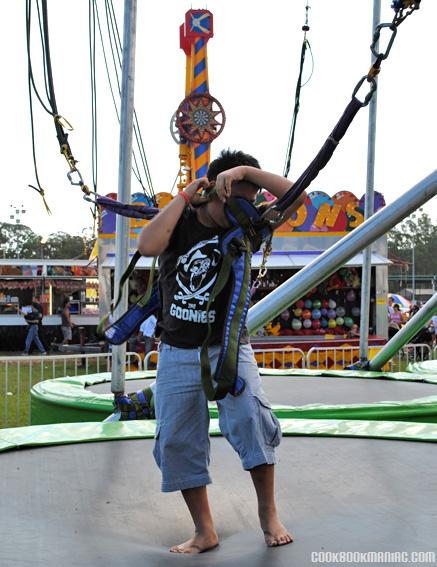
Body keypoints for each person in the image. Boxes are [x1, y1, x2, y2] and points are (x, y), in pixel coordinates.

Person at [138, 149, 306, 554]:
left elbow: (299, 199)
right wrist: (184, 196)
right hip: (178, 350)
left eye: (249, 200)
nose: (243, 209)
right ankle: (204, 530)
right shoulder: (180, 223)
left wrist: (247, 172)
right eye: (235, 198)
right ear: (212, 191)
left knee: (251, 421)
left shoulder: (249, 227)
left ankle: (268, 513)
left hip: (228, 347)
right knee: (177, 440)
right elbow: (147, 245)